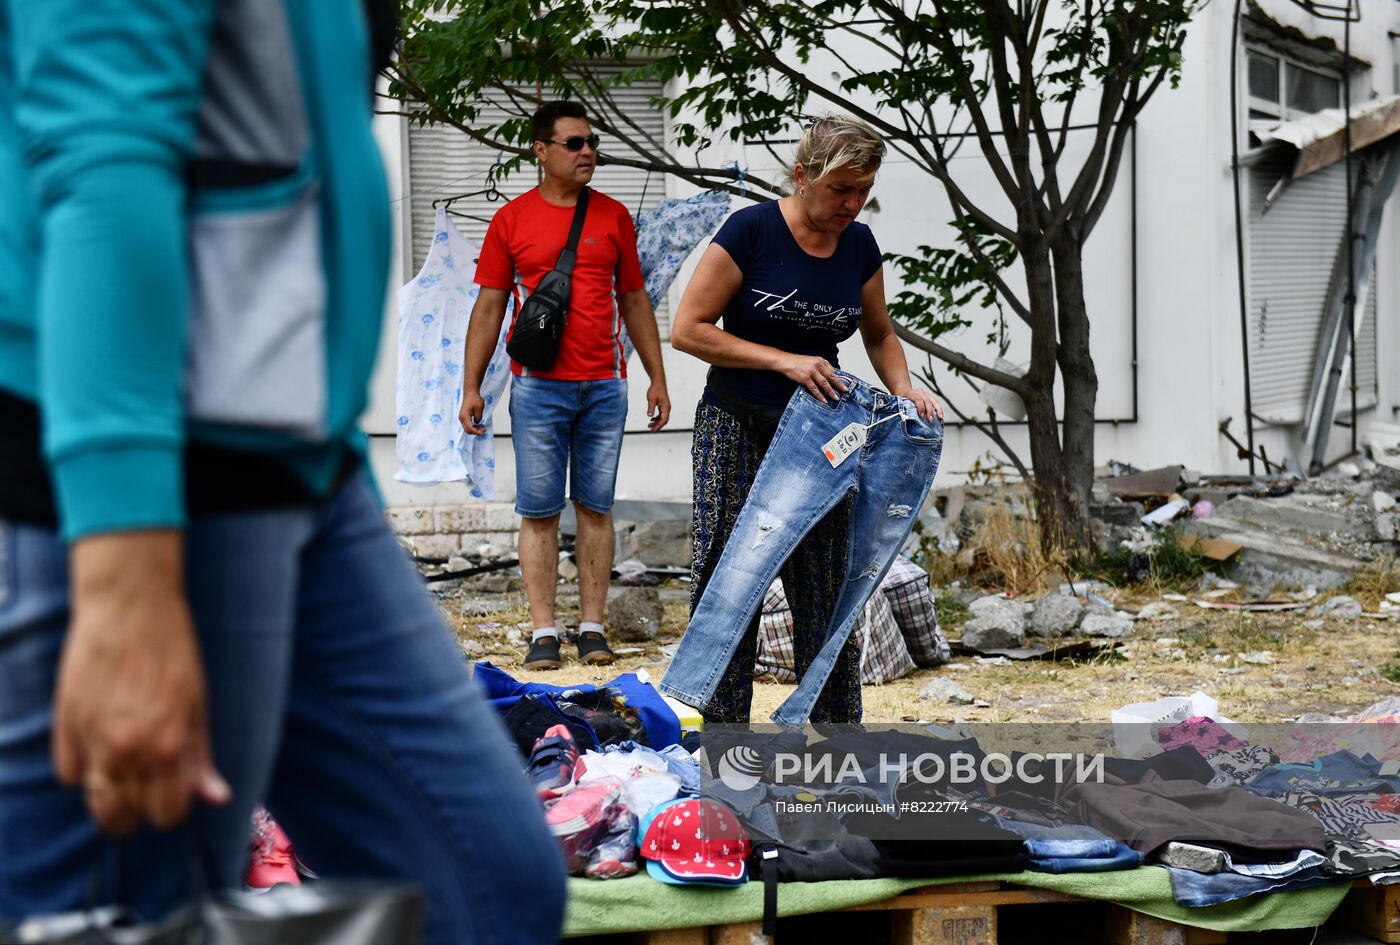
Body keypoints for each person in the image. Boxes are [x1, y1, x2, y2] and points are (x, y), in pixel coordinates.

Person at [0, 4, 565, 944]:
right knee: (131, 909)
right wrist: (125, 584)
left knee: (489, 887)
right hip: (159, 478)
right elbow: (104, 160)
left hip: (298, 462)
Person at [669, 114, 944, 724]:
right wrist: (783, 361)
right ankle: (723, 739)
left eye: (863, 191)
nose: (852, 203)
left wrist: (906, 393)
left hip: (824, 435)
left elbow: (880, 333)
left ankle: (838, 735)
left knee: (825, 585)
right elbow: (687, 330)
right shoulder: (750, 232)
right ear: (801, 176)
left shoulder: (860, 244)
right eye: (839, 190)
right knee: (729, 577)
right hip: (736, 425)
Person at [460, 101, 671, 672]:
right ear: (541, 150)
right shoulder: (512, 219)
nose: (587, 153)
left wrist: (656, 375)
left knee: (596, 508)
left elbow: (633, 300)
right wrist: (471, 386)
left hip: (605, 384)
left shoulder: (613, 217)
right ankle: (544, 633)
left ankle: (593, 630)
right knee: (539, 512)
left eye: (591, 143)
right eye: (574, 143)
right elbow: (488, 307)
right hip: (537, 390)